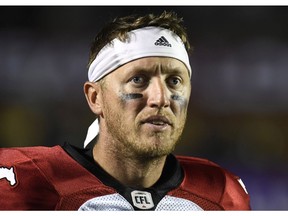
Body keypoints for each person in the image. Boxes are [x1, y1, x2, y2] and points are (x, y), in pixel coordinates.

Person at [0, 11, 251, 210]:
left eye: (174, 81)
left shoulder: (221, 194)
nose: (161, 98)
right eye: (139, 80)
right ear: (95, 97)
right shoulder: (24, 181)